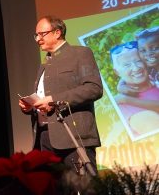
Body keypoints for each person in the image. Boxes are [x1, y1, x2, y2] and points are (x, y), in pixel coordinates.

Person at [19, 16, 103, 175]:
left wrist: (54, 101)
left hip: (73, 137)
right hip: (45, 139)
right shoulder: (45, 65)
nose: (37, 39)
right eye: (36, 35)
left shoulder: (80, 53)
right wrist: (30, 107)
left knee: (86, 189)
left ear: (57, 33)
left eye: (41, 34)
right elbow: (43, 99)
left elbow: (94, 88)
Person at [110, 42, 159, 136]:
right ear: (117, 72)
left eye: (138, 61)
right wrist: (124, 99)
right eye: (126, 65)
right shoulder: (126, 106)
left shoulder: (155, 77)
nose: (136, 68)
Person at [117, 26, 159, 95]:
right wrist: (120, 86)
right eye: (143, 50)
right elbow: (128, 76)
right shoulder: (151, 69)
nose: (148, 54)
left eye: (155, 48)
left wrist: (124, 99)